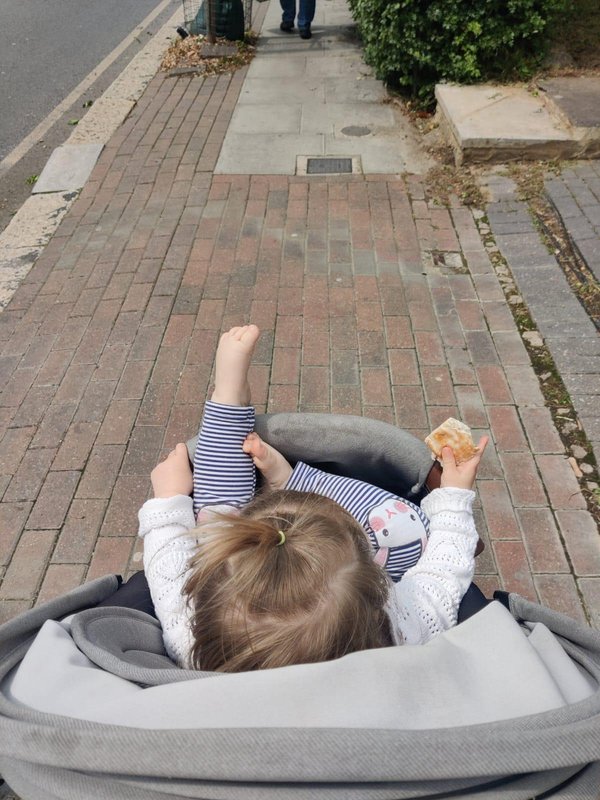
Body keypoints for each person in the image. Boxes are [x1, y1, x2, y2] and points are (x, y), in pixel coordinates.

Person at [138, 324, 488, 671]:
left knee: (216, 526)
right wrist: (453, 495)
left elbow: (168, 575)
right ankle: (288, 478)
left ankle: (229, 407)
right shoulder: (401, 633)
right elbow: (441, 578)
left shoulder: (195, 643)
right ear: (377, 595)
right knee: (403, 526)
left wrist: (169, 498)